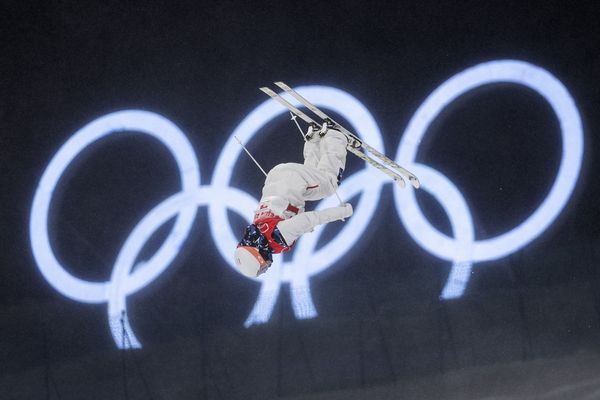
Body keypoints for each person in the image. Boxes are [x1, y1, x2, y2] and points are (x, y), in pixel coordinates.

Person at [234, 125, 354, 277]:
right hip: (278, 178)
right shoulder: (258, 231)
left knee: (329, 185)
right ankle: (314, 139)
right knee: (313, 184)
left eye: (261, 268)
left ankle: (336, 137)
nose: (266, 269)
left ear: (258, 257)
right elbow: (297, 220)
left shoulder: (277, 238)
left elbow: (310, 219)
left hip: (291, 180)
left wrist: (342, 212)